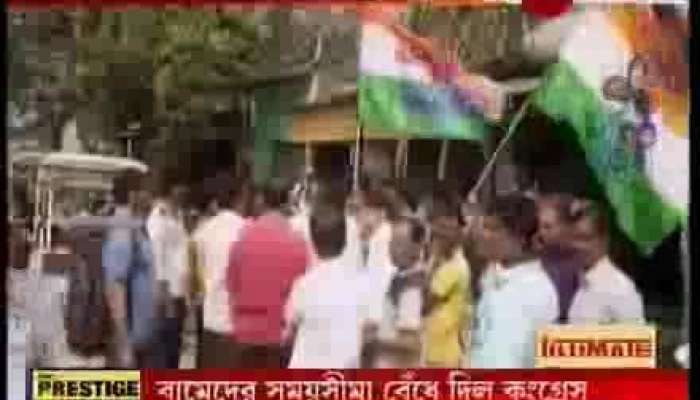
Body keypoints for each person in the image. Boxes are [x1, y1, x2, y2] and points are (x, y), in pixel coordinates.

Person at [226, 179, 310, 368]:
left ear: (261, 201)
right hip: (280, 336)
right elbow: (302, 291)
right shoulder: (298, 243)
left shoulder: (243, 238)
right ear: (286, 204)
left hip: (246, 333)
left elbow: (231, 284)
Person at [470, 194, 558, 368]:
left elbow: (503, 363)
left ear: (519, 238)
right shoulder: (496, 275)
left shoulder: (528, 292)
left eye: (491, 228)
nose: (480, 234)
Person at [285, 203, 367, 368]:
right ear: (345, 240)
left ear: (313, 241)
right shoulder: (361, 285)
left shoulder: (304, 284)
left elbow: (290, 330)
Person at [102, 169, 157, 368]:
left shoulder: (135, 226)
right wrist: (123, 343)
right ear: (134, 195)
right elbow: (115, 285)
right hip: (129, 343)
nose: (153, 198)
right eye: (149, 192)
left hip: (140, 340)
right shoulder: (123, 228)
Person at [192, 174, 249, 368]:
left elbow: (196, 277)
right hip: (237, 326)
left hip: (210, 323)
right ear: (240, 197)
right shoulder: (248, 230)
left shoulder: (202, 232)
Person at [566, 201, 645, 324]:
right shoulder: (580, 284)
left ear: (604, 240)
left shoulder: (620, 288)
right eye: (575, 238)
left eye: (586, 239)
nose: (578, 246)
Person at [366, 217, 426, 368]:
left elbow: (411, 342)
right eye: (392, 242)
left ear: (416, 247)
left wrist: (373, 340)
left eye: (399, 243)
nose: (392, 248)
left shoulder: (411, 287)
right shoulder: (400, 279)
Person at [146, 183, 190, 368]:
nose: (185, 194)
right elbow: (158, 261)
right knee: (164, 355)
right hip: (168, 297)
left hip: (178, 295)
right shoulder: (158, 219)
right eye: (181, 190)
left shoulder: (177, 216)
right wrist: (167, 302)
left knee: (173, 353)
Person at [423, 197, 471, 368]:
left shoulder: (455, 266)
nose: (440, 235)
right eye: (437, 230)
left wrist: (433, 259)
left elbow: (424, 304)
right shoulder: (440, 261)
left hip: (444, 355)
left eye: (446, 231)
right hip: (431, 349)